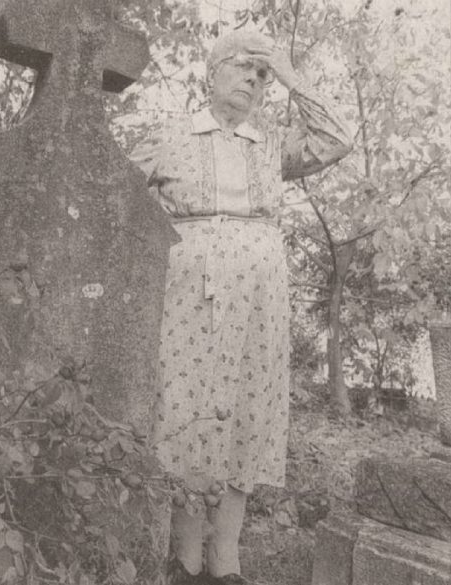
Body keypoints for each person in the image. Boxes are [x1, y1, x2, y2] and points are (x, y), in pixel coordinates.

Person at [130, 30, 353, 585]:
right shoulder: (173, 136)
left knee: (248, 410)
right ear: (212, 74)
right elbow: (116, 194)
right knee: (187, 409)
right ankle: (185, 555)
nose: (253, 80)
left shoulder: (270, 144)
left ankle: (226, 557)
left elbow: (338, 139)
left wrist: (291, 74)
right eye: (243, 67)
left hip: (260, 299)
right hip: (189, 296)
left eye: (262, 74)